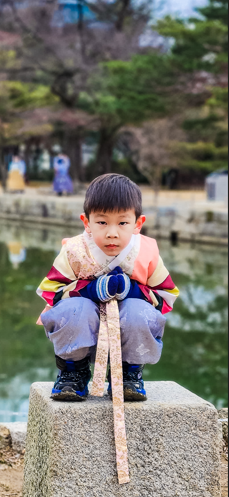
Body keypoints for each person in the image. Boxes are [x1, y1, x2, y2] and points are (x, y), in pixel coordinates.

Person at [37, 173, 178, 403]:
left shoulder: (146, 252)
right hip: (80, 333)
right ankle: (73, 371)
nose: (112, 232)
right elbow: (50, 292)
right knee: (75, 307)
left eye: (123, 223)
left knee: (136, 310)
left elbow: (167, 296)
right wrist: (90, 290)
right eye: (102, 222)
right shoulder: (75, 250)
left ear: (138, 224)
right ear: (87, 222)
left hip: (128, 334)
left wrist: (132, 291)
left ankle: (128, 373)